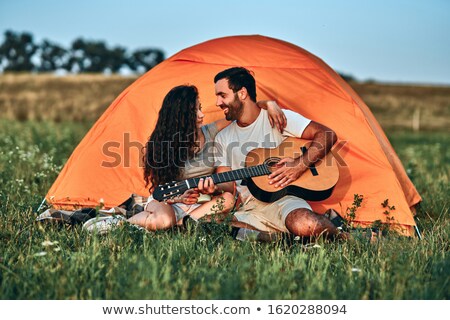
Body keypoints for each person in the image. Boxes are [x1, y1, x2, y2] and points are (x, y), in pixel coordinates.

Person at [83, 84, 287, 233]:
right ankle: (120, 224)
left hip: (202, 204)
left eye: (200, 107)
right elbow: (159, 190)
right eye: (195, 110)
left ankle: (184, 224)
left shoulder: (210, 132)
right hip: (169, 200)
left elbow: (243, 111)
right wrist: (177, 198)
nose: (201, 114)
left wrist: (268, 104)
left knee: (228, 199)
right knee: (163, 220)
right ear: (180, 116)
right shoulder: (162, 146)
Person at [197, 67, 345, 240]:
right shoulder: (223, 137)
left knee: (305, 224)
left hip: (285, 201)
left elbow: (327, 134)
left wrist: (300, 164)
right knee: (211, 226)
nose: (217, 103)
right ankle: (284, 239)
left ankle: (345, 237)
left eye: (222, 95)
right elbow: (228, 184)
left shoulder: (278, 118)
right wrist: (214, 187)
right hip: (249, 209)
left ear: (242, 93)